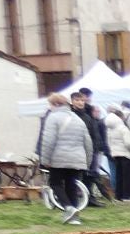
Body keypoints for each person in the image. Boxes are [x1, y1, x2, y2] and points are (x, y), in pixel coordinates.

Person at [38, 92, 91, 224]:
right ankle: (74, 218)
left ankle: (68, 208)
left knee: (55, 183)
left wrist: (45, 160)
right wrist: (87, 161)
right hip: (77, 158)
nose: (49, 107)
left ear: (55, 104)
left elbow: (48, 141)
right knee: (71, 185)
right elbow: (88, 143)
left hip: (59, 158)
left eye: (50, 104)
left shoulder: (53, 117)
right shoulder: (78, 119)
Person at [105, 105, 130, 201]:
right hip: (126, 154)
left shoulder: (110, 129)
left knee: (118, 176)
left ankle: (119, 195)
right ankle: (128, 196)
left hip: (116, 154)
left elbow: (109, 142)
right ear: (121, 118)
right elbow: (128, 143)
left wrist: (113, 151)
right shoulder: (123, 128)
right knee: (128, 177)